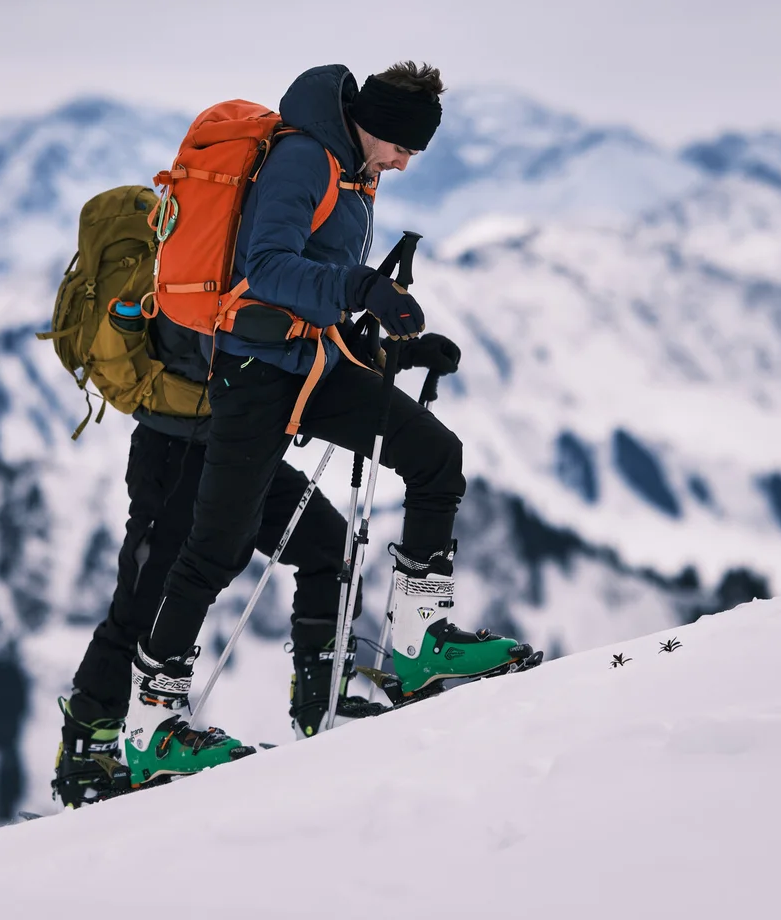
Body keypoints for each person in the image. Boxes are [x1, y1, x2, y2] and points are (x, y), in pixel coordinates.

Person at [122, 61, 531, 781]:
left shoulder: (352, 169)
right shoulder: (306, 158)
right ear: (378, 126)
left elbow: (318, 288)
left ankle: (419, 643)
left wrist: (388, 343)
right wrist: (363, 287)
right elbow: (267, 267)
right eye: (404, 147)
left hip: (313, 365)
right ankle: (153, 723)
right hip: (253, 374)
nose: (404, 162)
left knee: (436, 457)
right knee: (216, 546)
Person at [53, 311, 383, 805]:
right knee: (146, 603)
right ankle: (87, 760)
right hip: (178, 447)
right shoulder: (200, 261)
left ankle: (322, 703)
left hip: (240, 446)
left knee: (329, 548)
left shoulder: (248, 252)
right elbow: (229, 346)